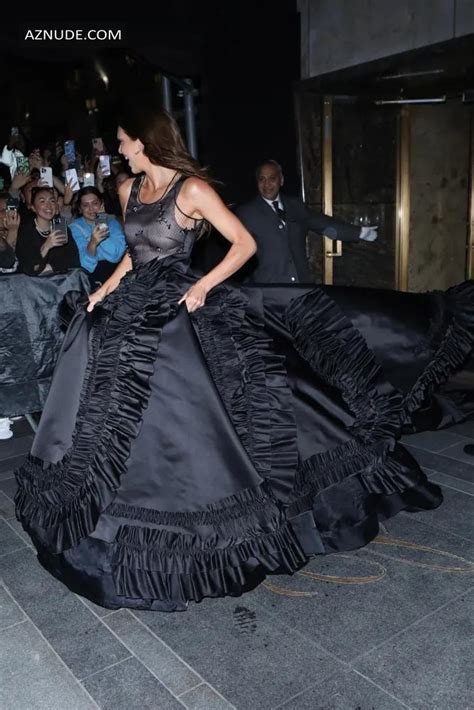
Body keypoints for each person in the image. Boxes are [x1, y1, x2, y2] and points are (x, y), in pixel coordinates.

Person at [15, 106, 474, 612]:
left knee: (216, 403)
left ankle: (219, 494)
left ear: (145, 141)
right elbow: (134, 252)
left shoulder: (191, 190)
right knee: (115, 407)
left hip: (180, 305)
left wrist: (205, 287)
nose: (119, 148)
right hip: (134, 304)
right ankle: (126, 504)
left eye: (125, 140)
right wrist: (102, 290)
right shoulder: (126, 190)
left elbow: (244, 243)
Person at [234, 159, 377, 283]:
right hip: (268, 290)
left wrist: (359, 232)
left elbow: (323, 223)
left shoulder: (295, 206)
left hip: (300, 286)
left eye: (272, 178)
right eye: (262, 179)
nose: (267, 184)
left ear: (281, 180)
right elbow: (236, 251)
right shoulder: (246, 213)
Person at [15, 186, 80, 275]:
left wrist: (51, 267)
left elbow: (74, 262)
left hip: (62, 282)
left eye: (52, 201)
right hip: (34, 285)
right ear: (33, 208)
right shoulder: (26, 231)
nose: (49, 206)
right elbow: (30, 268)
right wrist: (46, 246)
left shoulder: (60, 227)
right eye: (42, 201)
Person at [69, 186, 126, 286]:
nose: (91, 209)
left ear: (102, 204)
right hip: (91, 278)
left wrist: (101, 222)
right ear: (80, 209)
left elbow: (115, 256)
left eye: (95, 203)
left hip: (116, 274)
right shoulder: (75, 227)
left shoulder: (112, 222)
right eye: (86, 205)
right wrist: (92, 243)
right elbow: (86, 265)